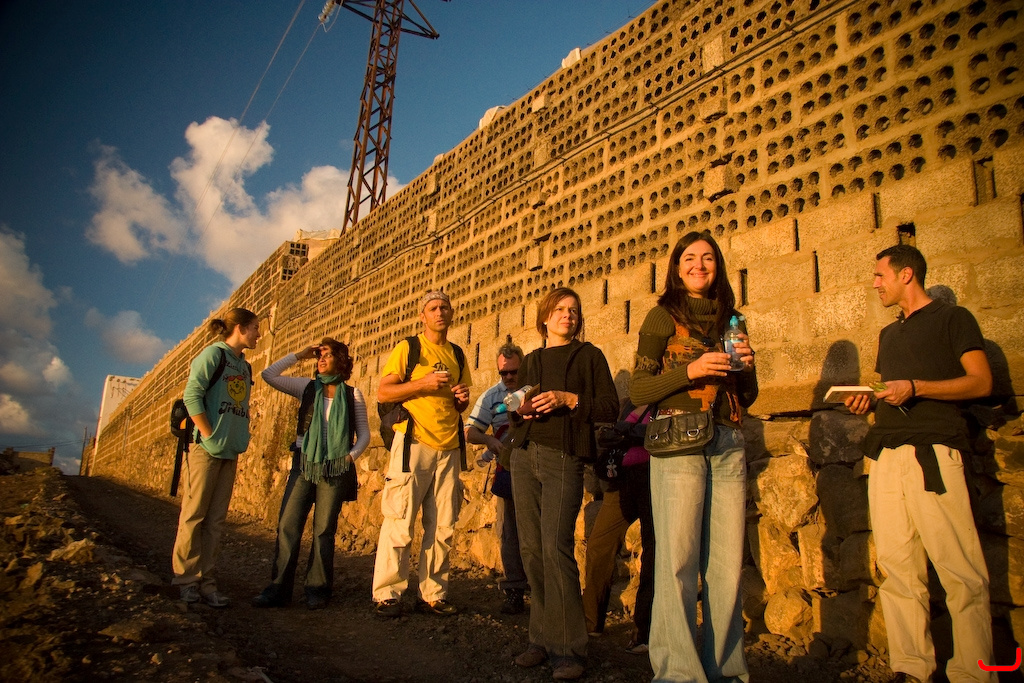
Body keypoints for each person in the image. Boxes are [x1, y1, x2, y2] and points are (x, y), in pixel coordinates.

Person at [845, 245, 995, 683]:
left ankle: (975, 674)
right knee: (898, 568)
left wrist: (917, 387)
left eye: (880, 275)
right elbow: (888, 390)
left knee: (961, 572)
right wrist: (868, 399)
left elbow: (981, 382)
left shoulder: (954, 319)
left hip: (934, 452)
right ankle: (911, 667)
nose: (875, 284)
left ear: (906, 274)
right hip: (888, 455)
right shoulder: (888, 335)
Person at [630, 230, 757, 683]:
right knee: (678, 563)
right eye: (689, 258)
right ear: (676, 267)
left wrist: (747, 366)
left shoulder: (733, 319)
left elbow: (749, 396)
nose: (698, 265)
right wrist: (691, 370)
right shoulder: (661, 316)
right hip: (678, 445)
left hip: (727, 443)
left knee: (725, 566)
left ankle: (725, 671)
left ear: (718, 266)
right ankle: (678, 673)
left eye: (707, 258)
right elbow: (639, 390)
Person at [506, 287, 618, 681]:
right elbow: (516, 410)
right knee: (531, 550)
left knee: (556, 548)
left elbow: (609, 406)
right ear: (544, 318)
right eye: (559, 309)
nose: (567, 315)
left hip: (563, 458)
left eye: (573, 310)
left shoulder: (589, 356)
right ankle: (541, 638)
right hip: (524, 456)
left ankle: (570, 648)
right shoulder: (533, 360)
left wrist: (569, 399)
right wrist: (520, 410)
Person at [372, 291, 471, 617]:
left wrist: (461, 400)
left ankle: (433, 594)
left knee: (442, 526)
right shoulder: (409, 348)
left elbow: (459, 403)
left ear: (451, 313)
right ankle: (388, 593)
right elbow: (384, 391)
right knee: (400, 519)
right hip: (413, 442)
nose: (439, 312)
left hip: (449, 446)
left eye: (444, 307)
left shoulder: (457, 354)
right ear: (423, 316)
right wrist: (422, 384)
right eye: (433, 308)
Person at [252, 338, 370, 610]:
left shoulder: (352, 394)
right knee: (288, 525)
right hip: (304, 464)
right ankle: (278, 589)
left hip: (335, 468)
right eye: (319, 355)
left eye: (327, 355)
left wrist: (349, 457)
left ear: (341, 360)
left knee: (323, 530)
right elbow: (268, 375)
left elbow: (364, 434)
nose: (321, 359)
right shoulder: (306, 387)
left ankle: (317, 589)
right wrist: (299, 355)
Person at [172, 308, 259, 607]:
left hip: (229, 452)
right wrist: (208, 434)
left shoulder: (244, 366)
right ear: (241, 328)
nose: (259, 334)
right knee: (194, 516)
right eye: (255, 327)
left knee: (216, 522)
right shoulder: (213, 355)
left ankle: (207, 583)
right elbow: (192, 396)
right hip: (205, 450)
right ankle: (186, 581)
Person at [582, 400, 656, 655]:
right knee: (599, 544)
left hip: (653, 477)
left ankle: (645, 631)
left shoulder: (668, 402)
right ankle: (590, 621)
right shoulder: (631, 403)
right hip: (622, 481)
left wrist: (628, 432)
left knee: (653, 552)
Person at [465, 335, 528, 615]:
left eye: (514, 372)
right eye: (504, 373)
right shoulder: (491, 397)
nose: (510, 377)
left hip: (536, 467)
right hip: (509, 470)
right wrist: (489, 440)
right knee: (510, 532)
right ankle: (514, 589)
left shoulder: (534, 390)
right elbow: (470, 431)